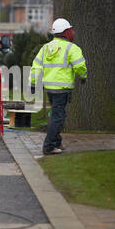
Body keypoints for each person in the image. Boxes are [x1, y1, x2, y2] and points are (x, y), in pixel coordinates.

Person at [29, 18, 87, 155]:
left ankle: (57, 142)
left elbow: (35, 66)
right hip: (62, 89)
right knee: (58, 117)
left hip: (49, 88)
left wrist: (32, 83)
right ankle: (49, 146)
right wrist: (83, 76)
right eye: (70, 30)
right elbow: (80, 66)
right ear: (66, 32)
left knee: (57, 115)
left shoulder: (46, 48)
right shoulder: (71, 48)